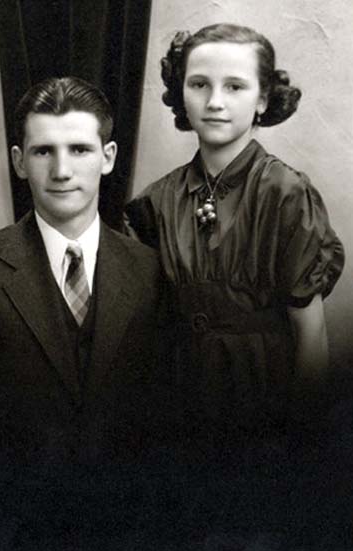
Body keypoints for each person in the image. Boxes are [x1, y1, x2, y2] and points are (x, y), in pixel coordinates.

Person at [0, 77, 166, 549]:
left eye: (79, 149)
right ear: (18, 161)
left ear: (108, 157)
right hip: (10, 535)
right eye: (43, 151)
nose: (62, 170)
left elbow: (165, 423)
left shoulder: (149, 271)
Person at [125, 23, 345, 545]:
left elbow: (311, 336)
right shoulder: (158, 201)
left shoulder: (286, 193)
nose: (215, 101)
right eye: (199, 84)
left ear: (263, 97)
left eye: (235, 87)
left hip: (261, 395)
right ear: (180, 92)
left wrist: (299, 438)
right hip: (179, 398)